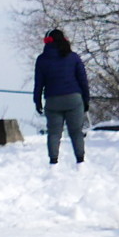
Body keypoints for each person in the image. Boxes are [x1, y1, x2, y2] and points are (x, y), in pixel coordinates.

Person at [33, 27, 90, 165]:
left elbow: (39, 83)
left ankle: (53, 162)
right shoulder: (73, 57)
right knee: (76, 132)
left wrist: (37, 101)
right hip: (74, 99)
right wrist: (86, 100)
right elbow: (83, 80)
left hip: (53, 101)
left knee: (54, 133)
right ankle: (80, 161)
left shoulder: (42, 60)